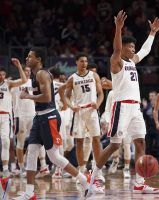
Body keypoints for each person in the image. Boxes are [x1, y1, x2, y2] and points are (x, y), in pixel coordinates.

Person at [89, 10, 159, 194]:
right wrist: (118, 29)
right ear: (124, 48)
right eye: (130, 47)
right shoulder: (117, 62)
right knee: (114, 144)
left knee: (140, 143)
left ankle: (139, 183)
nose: (133, 50)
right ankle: (95, 175)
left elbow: (145, 50)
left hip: (135, 108)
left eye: (133, 48)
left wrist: (152, 33)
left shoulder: (132, 62)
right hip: (121, 106)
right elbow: (116, 49)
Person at [14, 48, 92, 199]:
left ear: (38, 59)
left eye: (30, 56)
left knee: (54, 157)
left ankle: (84, 181)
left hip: (49, 117)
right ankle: (29, 193)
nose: (26, 58)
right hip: (39, 117)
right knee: (31, 153)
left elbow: (47, 97)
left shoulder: (42, 74)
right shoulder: (36, 75)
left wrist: (27, 96)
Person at [64, 53, 104, 176]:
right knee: (79, 142)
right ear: (76, 62)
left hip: (91, 111)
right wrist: (71, 106)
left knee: (96, 140)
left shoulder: (94, 75)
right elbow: (65, 96)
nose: (84, 64)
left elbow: (101, 93)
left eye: (86, 61)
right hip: (79, 112)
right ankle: (81, 169)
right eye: (82, 61)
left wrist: (98, 103)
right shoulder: (72, 78)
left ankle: (98, 170)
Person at [12, 66, 49, 178]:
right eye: (25, 71)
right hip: (20, 116)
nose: (27, 72)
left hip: (33, 115)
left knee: (39, 140)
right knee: (20, 143)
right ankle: (21, 168)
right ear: (21, 72)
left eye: (28, 70)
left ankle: (43, 166)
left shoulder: (34, 82)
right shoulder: (14, 84)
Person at [0, 58, 27, 199]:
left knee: (5, 141)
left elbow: (23, 80)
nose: (1, 76)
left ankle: (5, 169)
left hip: (5, 117)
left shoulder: (8, 83)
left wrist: (19, 67)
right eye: (0, 74)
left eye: (3, 74)